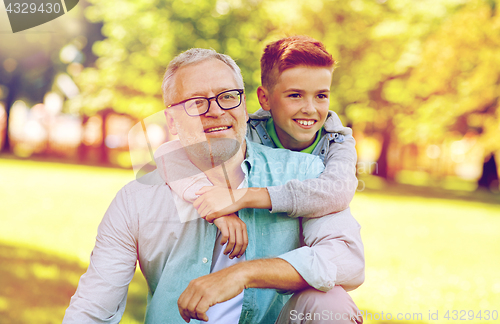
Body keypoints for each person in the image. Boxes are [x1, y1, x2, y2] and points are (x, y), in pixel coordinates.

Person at [63, 48, 364, 323]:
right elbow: (92, 309)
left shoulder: (306, 172)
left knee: (330, 303)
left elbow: (347, 261)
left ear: (245, 105)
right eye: (196, 102)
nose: (216, 111)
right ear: (171, 121)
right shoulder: (138, 199)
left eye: (228, 96)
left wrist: (244, 273)